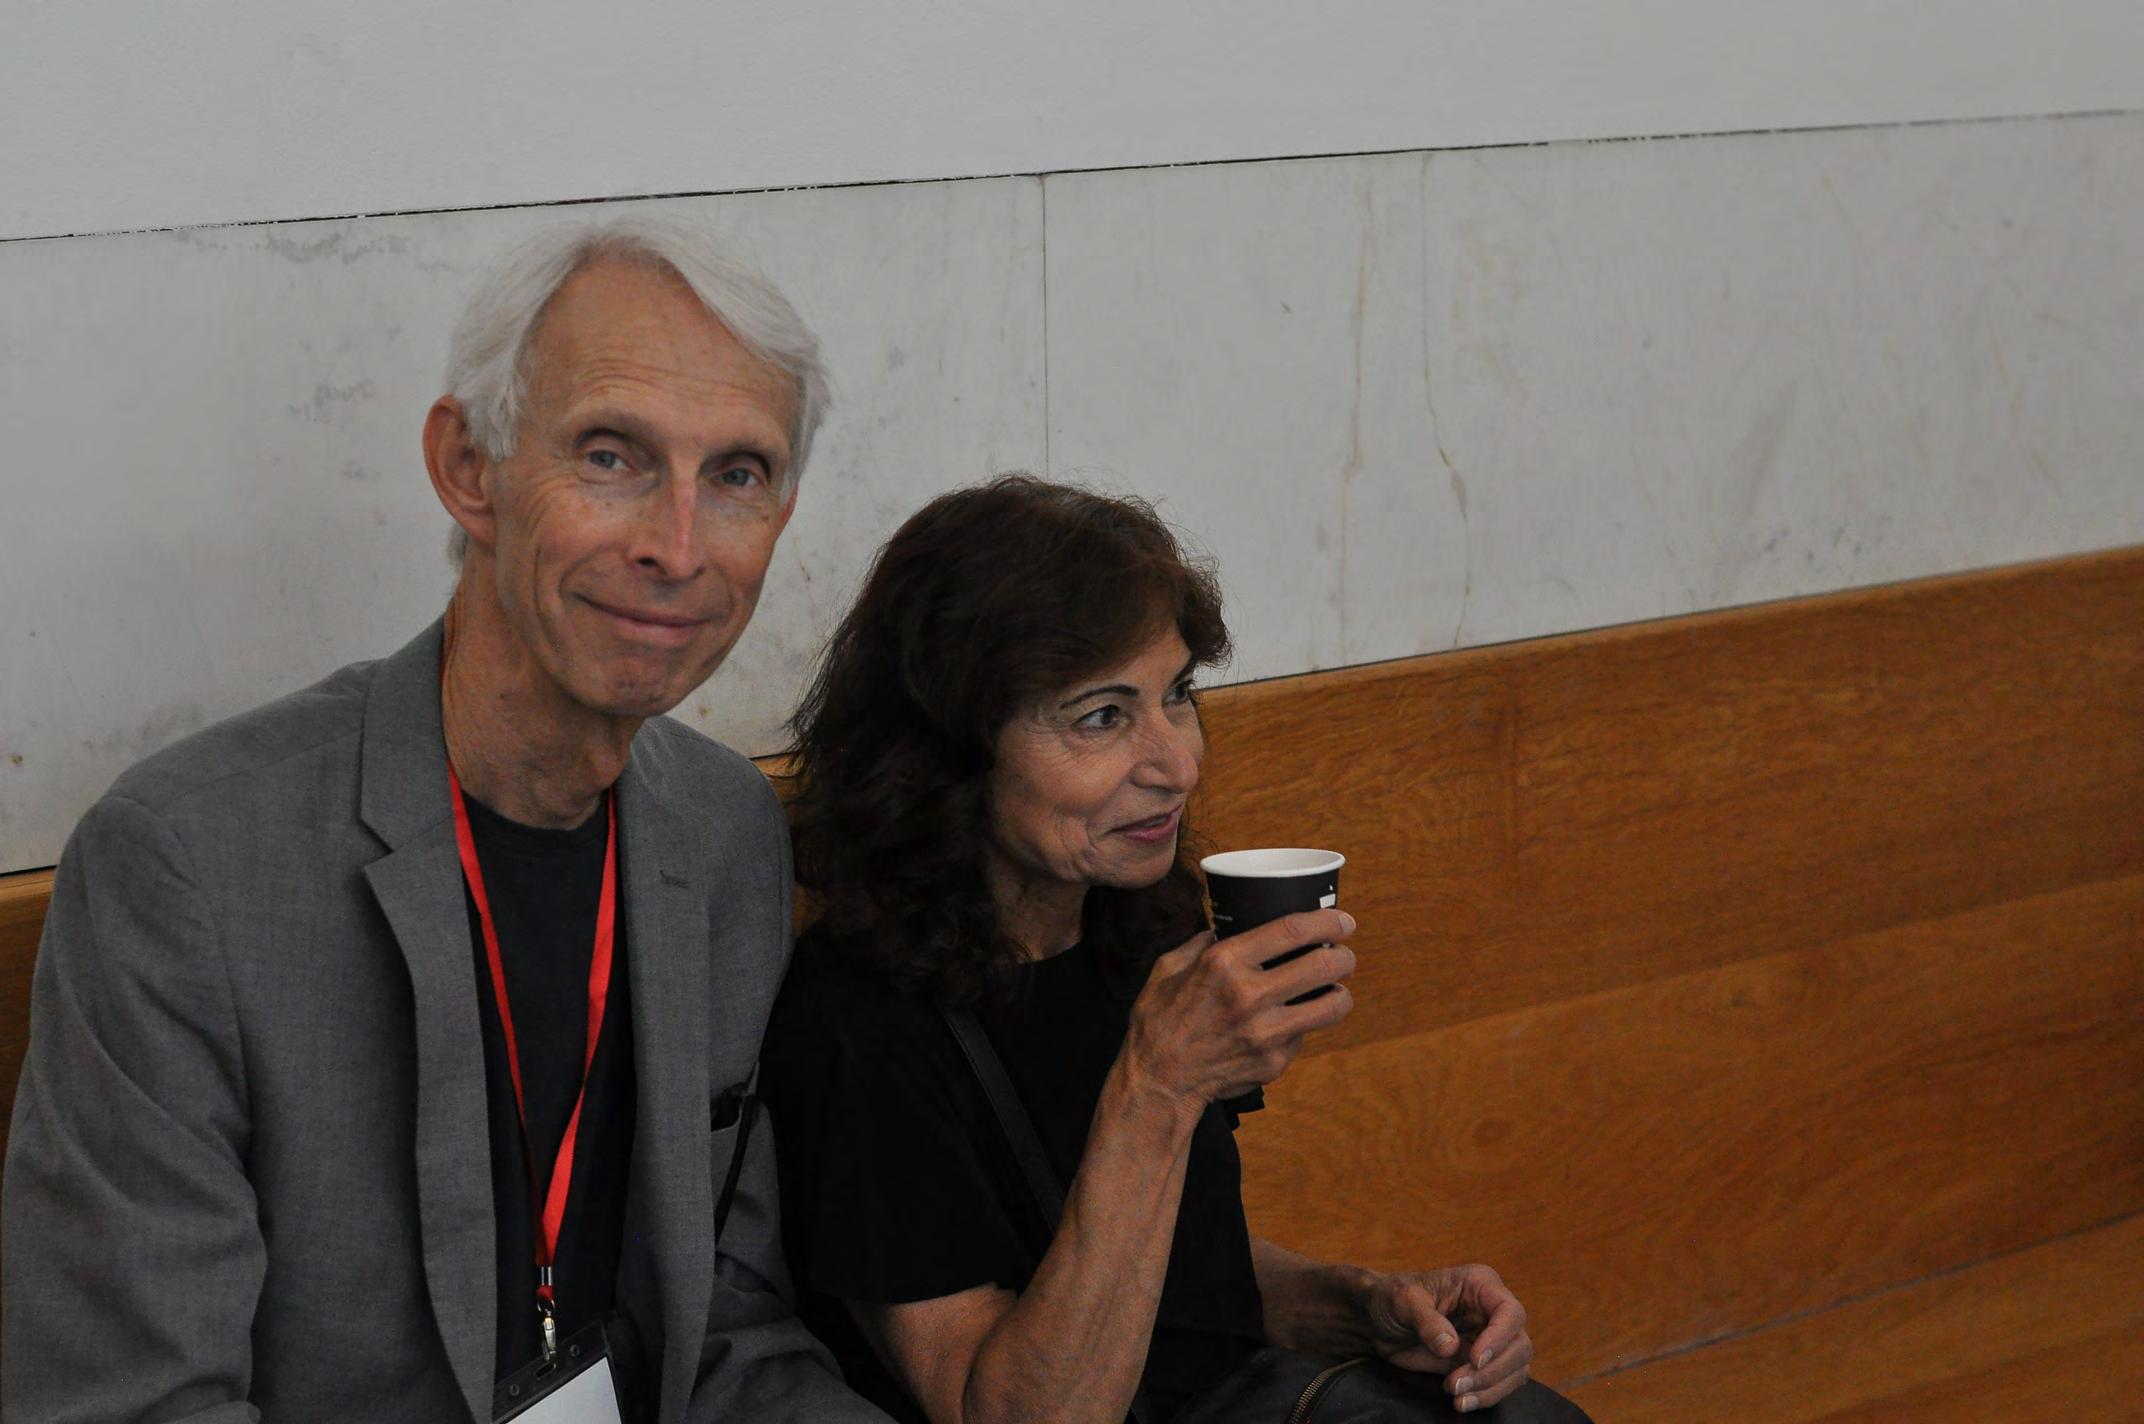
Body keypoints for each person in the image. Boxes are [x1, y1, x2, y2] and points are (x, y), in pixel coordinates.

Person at [3, 219, 889, 1422]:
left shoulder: (726, 828)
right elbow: (135, 1403)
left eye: (736, 475)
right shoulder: (187, 865)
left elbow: (729, 1331)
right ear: (469, 467)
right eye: (612, 456)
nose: (677, 547)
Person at [763, 475, 1587, 1424]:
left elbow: (1183, 1290)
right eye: (1102, 716)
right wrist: (1158, 1085)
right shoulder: (860, 1024)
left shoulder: (1137, 919)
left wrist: (1361, 1307)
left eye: (1179, 693)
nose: (1179, 765)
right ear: (950, 752)